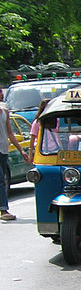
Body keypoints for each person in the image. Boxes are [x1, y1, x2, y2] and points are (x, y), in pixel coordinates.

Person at [0, 90, 30, 221]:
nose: (1, 94)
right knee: (1, 180)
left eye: (1, 92)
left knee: (2, 179)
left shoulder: (4, 111)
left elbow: (10, 133)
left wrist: (21, 151)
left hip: (3, 149)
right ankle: (3, 209)